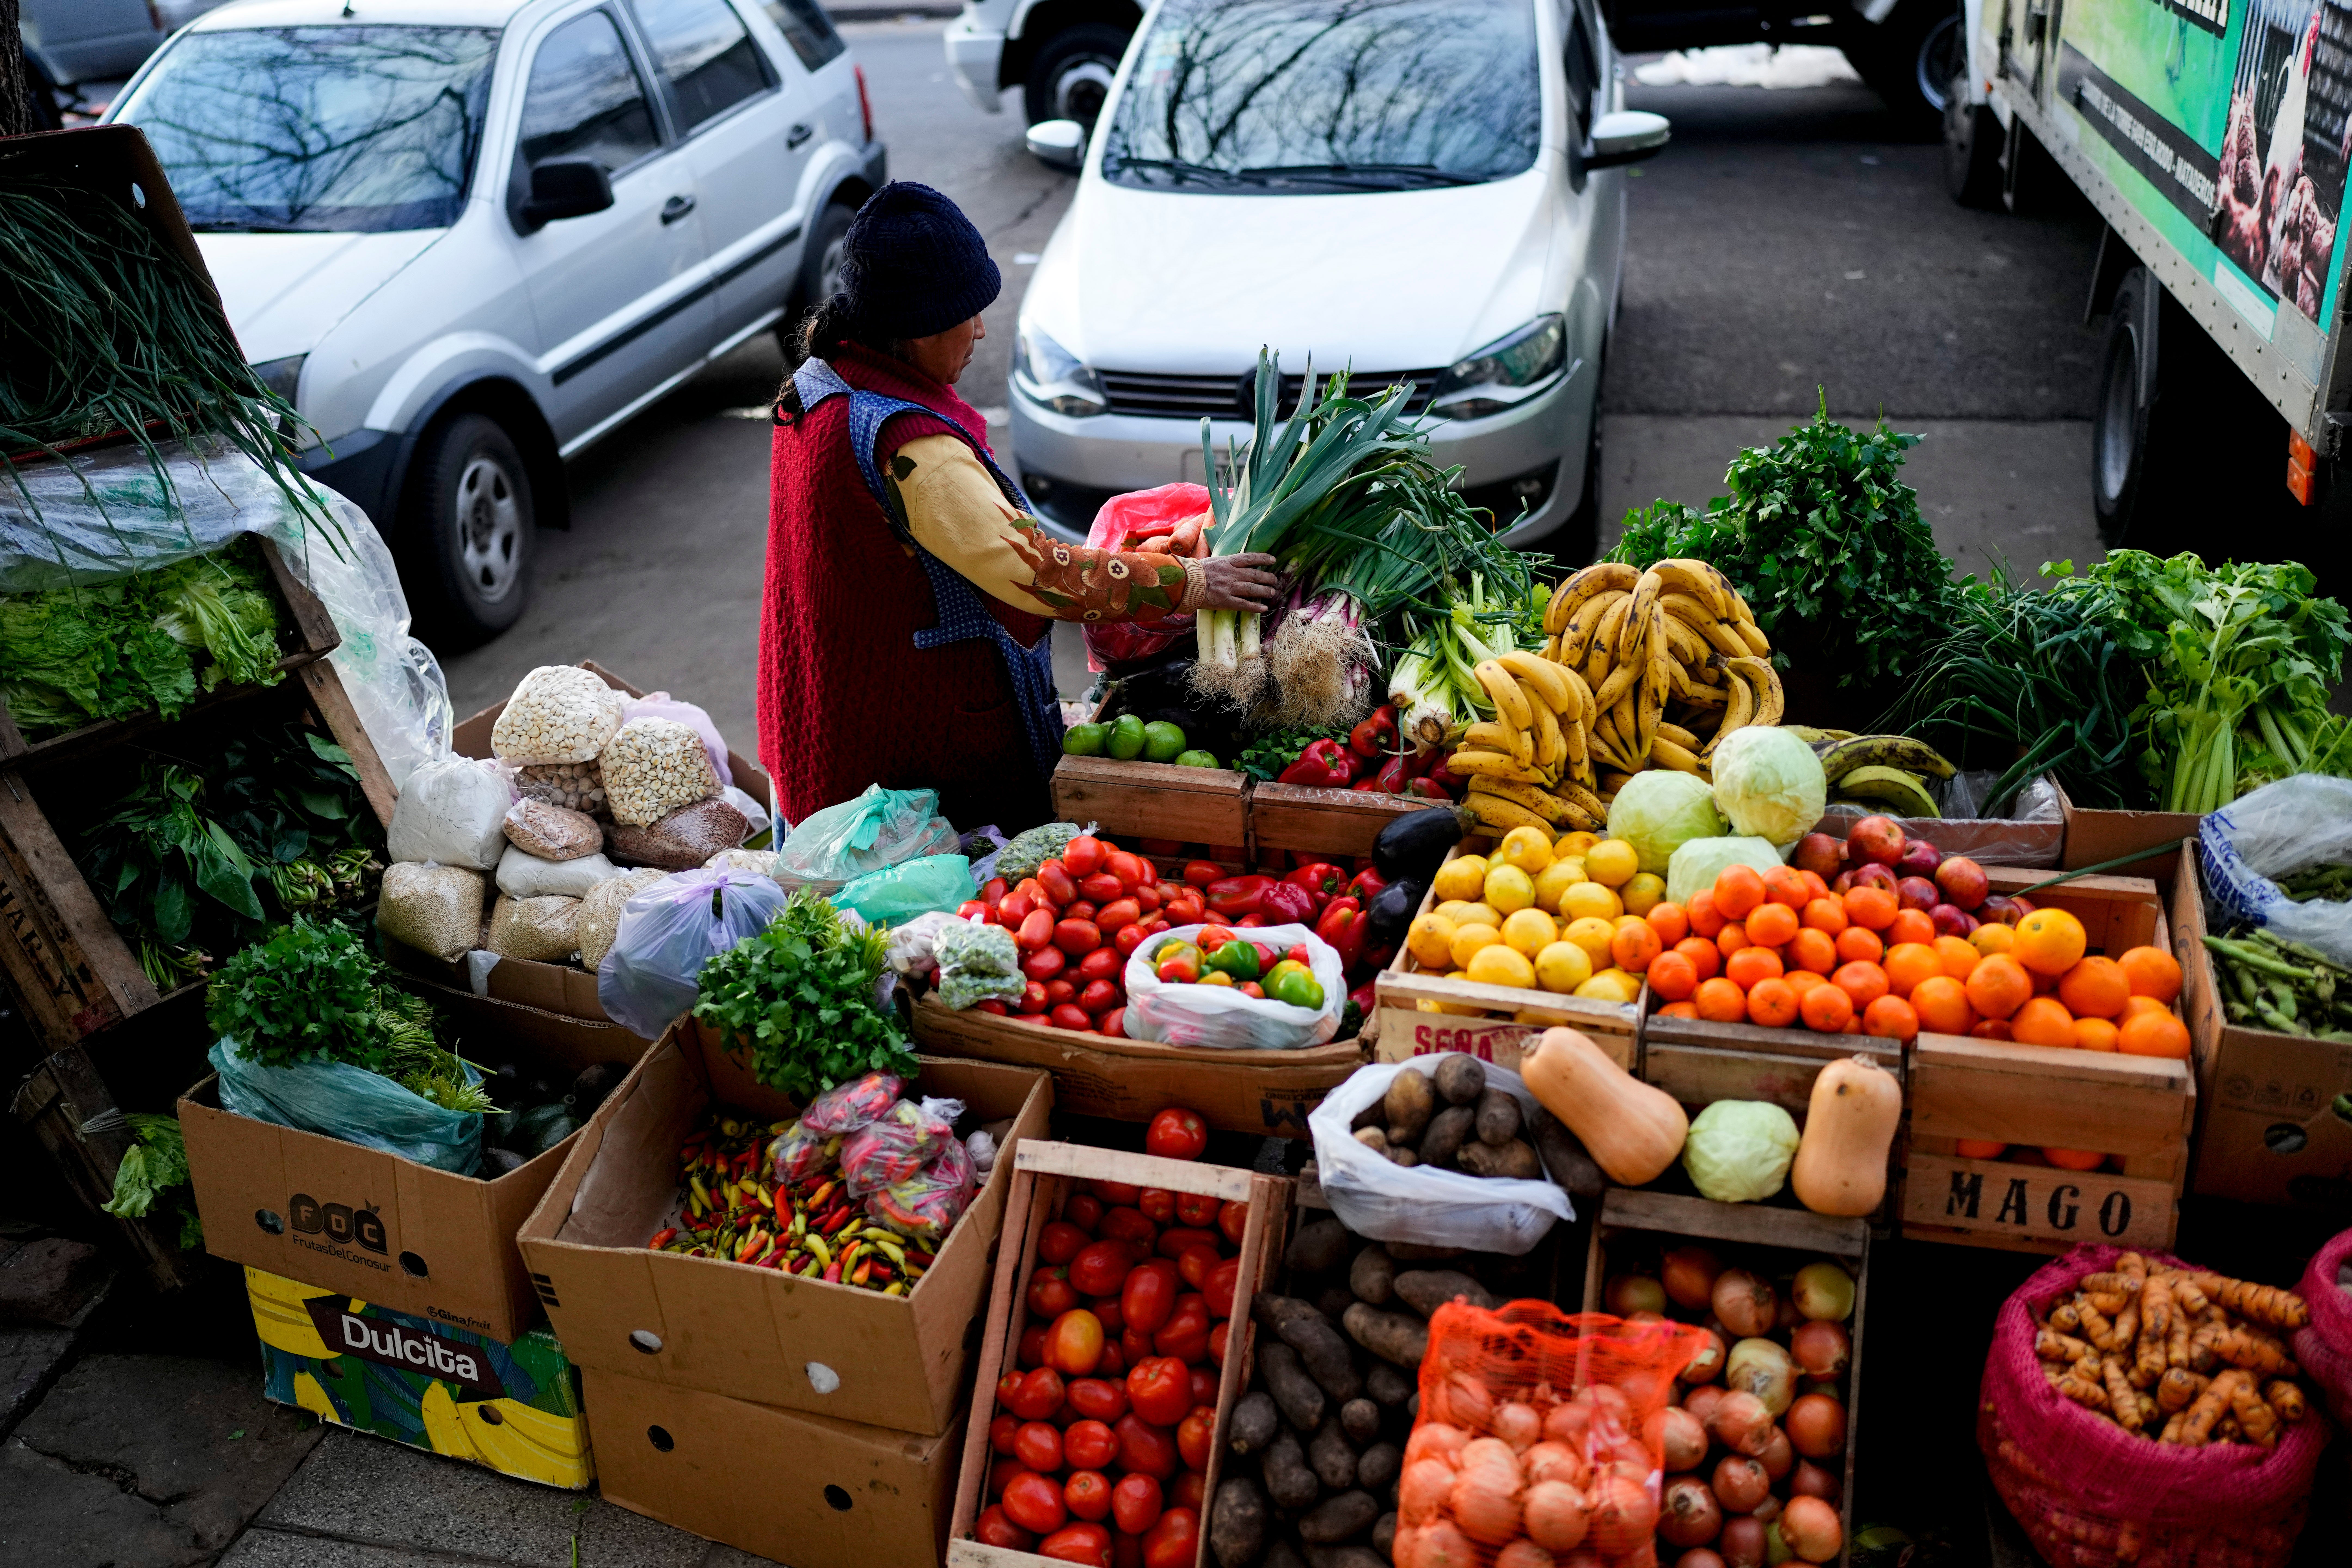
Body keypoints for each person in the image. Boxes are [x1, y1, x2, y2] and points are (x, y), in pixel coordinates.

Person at [758, 182, 1279, 829]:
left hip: (821, 702)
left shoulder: (821, 383)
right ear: (914, 329)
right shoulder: (910, 448)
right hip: (907, 749)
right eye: (966, 315)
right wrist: (1193, 582)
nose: (981, 330)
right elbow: (1040, 574)